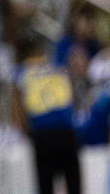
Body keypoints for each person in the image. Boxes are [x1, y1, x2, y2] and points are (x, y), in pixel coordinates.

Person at [13, 35, 80, 194]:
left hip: (42, 133)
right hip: (66, 130)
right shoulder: (56, 63)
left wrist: (24, 129)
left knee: (45, 184)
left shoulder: (21, 71)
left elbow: (17, 104)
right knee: (73, 182)